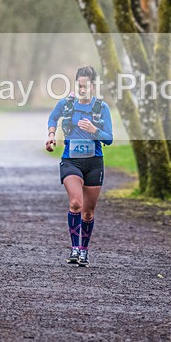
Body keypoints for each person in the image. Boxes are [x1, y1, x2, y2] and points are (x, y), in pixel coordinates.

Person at [45, 66, 113, 267]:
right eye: (80, 86)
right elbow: (52, 117)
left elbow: (109, 139)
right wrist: (51, 135)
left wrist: (94, 130)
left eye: (86, 86)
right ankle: (74, 248)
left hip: (94, 163)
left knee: (89, 212)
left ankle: (84, 251)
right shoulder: (66, 104)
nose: (82, 90)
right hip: (71, 161)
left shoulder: (102, 108)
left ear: (94, 86)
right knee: (76, 203)